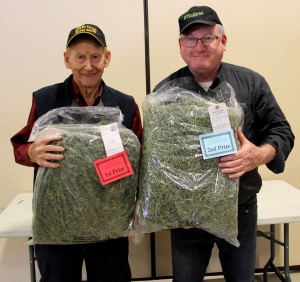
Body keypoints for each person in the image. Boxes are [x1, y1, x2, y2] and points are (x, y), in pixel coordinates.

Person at [153, 6, 295, 282]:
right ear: (180, 45)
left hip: (239, 209)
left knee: (241, 278)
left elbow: (282, 131)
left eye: (208, 37)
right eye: (190, 39)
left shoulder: (251, 84)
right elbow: (157, 160)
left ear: (223, 42)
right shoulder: (165, 93)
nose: (199, 46)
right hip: (187, 218)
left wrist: (260, 154)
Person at [11, 24, 142, 282]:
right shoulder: (46, 100)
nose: (88, 66)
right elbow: (20, 147)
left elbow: (140, 159)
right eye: (80, 57)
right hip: (57, 224)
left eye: (95, 56)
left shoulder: (124, 105)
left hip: (109, 226)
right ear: (67, 59)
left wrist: (132, 209)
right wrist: (32, 152)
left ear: (107, 57)